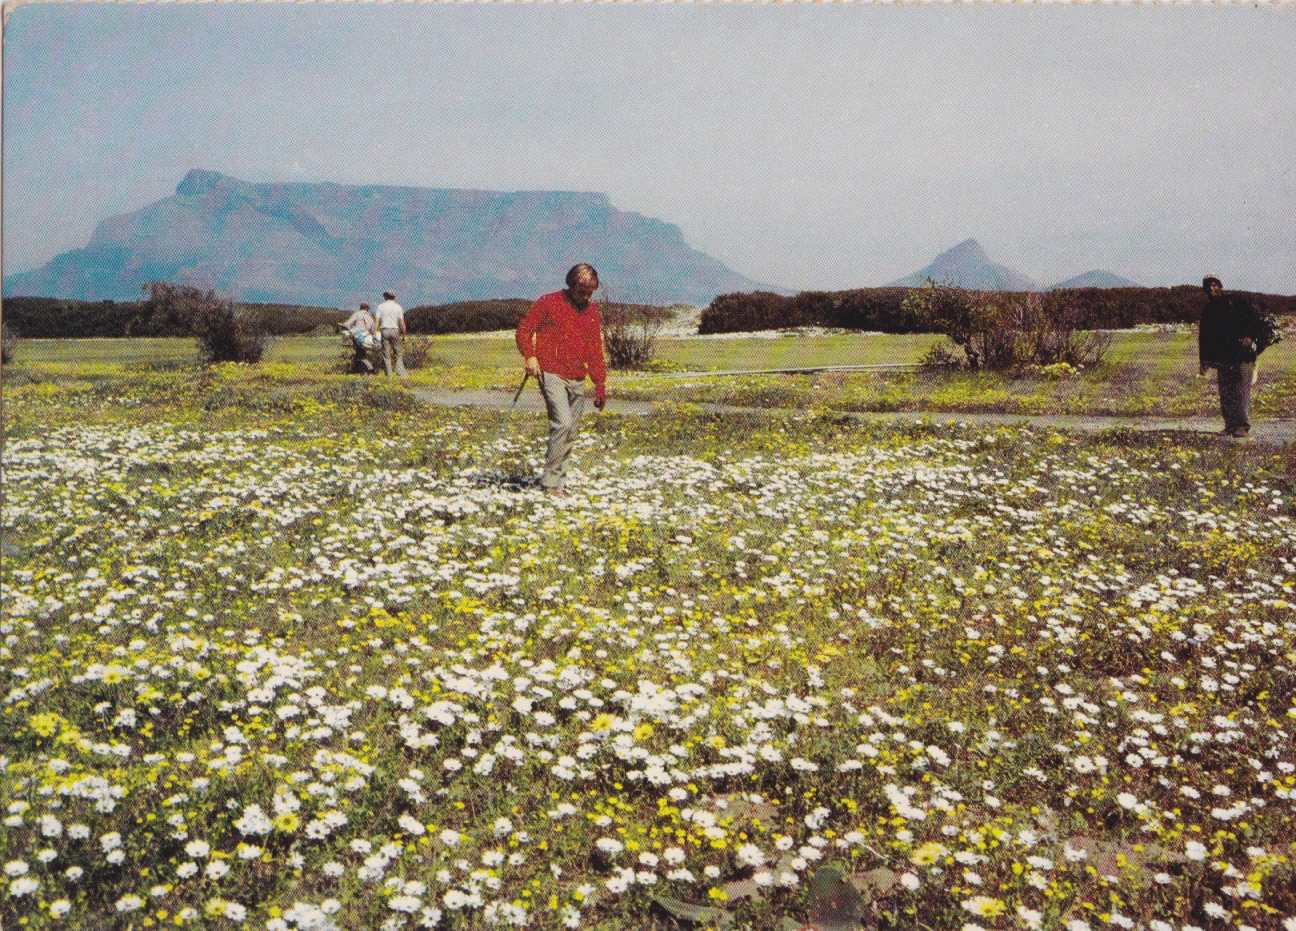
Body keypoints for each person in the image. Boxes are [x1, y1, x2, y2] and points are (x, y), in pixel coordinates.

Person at [515, 264, 607, 496]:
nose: (586, 297)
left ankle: (559, 483)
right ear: (571, 285)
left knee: (572, 431)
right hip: (551, 371)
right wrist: (530, 356)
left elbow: (595, 349)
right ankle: (549, 483)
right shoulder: (548, 302)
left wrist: (600, 385)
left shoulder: (592, 311)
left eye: (590, 292)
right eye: (582, 291)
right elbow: (524, 330)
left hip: (577, 375)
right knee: (563, 424)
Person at [1198, 276, 1265, 438]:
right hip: (1223, 357)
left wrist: (1249, 337)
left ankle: (1242, 426)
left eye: (1214, 285)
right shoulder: (1208, 310)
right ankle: (1230, 425)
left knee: (1241, 391)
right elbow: (1204, 337)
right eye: (1208, 287)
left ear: (1220, 286)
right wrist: (1203, 361)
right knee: (1226, 392)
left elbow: (1255, 318)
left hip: (1243, 355)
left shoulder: (1236, 301)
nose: (1212, 289)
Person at [375, 291, 407, 377]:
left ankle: (389, 375)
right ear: (394, 297)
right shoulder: (398, 307)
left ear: (385, 297)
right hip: (395, 330)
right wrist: (404, 335)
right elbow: (402, 322)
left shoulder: (380, 306)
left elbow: (377, 321)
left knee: (386, 354)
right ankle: (400, 371)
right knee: (398, 352)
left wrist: (375, 333)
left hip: (384, 330)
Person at [341, 302, 378, 373]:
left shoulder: (357, 314)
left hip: (358, 337)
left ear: (360, 307)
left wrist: (344, 326)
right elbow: (373, 329)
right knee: (360, 354)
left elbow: (348, 323)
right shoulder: (369, 316)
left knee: (360, 354)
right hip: (366, 337)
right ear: (367, 309)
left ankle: (369, 369)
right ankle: (353, 369)